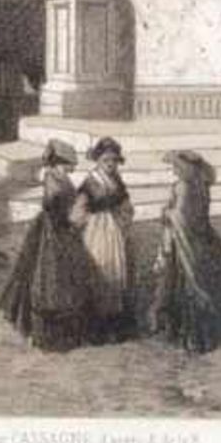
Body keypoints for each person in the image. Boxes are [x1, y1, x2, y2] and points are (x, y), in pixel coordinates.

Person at [0, 140, 93, 351]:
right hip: (53, 234)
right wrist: (73, 216)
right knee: (48, 280)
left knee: (64, 281)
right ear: (62, 162)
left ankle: (60, 333)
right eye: (71, 163)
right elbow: (55, 209)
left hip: (60, 229)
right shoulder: (54, 180)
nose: (73, 167)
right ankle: (44, 335)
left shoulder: (60, 177)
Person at [150, 150, 221, 354]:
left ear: (186, 168)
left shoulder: (184, 186)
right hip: (203, 240)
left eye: (177, 167)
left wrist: (167, 212)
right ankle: (201, 337)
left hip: (187, 243)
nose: (174, 171)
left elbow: (182, 216)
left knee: (189, 286)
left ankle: (192, 339)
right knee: (196, 285)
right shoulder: (202, 185)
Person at [76, 138, 137, 343]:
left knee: (116, 272)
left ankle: (115, 324)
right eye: (106, 160)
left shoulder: (117, 179)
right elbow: (78, 210)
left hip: (114, 229)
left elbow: (126, 203)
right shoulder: (90, 182)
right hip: (96, 230)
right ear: (98, 161)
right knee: (99, 271)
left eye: (114, 160)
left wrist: (124, 216)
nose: (110, 164)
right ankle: (95, 328)